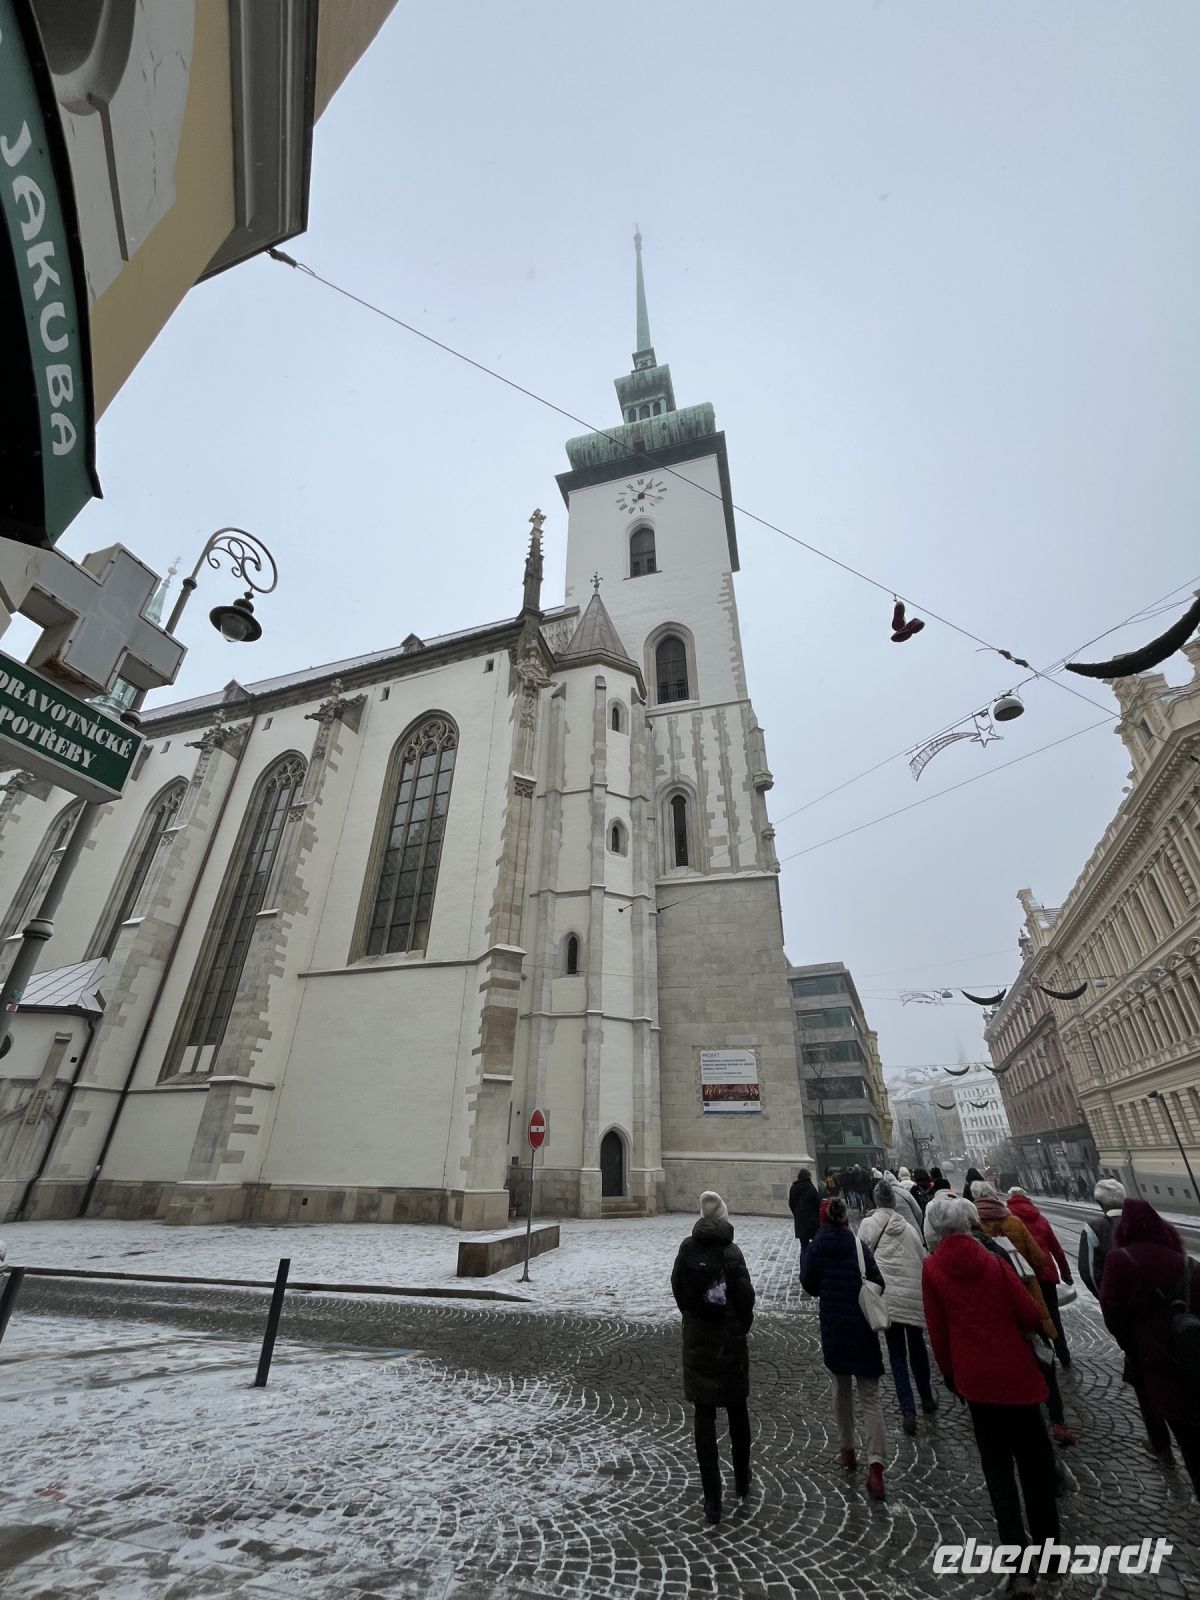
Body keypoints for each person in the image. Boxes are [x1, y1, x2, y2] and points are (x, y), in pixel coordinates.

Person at [923, 1197, 1060, 1590]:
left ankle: (1019, 1570)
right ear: (970, 1224)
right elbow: (1030, 1314)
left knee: (998, 1475)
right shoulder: (994, 1261)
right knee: (1035, 1469)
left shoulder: (933, 1268)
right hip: (1019, 1378)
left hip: (977, 1386)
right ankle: (1050, 1555)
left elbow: (938, 1335)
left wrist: (951, 1378)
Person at [1101, 1199, 1200, 1490]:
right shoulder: (1186, 1262)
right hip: (1195, 1355)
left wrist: (1133, 1346)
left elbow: (1111, 1311)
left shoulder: (1120, 1261)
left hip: (1156, 1362)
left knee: (1187, 1437)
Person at [671, 1191, 756, 1524]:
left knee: (704, 1416)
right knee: (737, 1410)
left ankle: (712, 1499)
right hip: (730, 1345)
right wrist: (738, 1326)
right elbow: (746, 1299)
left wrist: (694, 1320)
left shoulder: (686, 1250)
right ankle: (742, 1479)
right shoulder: (732, 1253)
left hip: (698, 1344)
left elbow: (679, 1290)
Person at [968, 1186, 1077, 1448]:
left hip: (998, 1306)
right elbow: (1040, 1257)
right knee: (1043, 1353)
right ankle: (1057, 1417)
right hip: (1030, 1295)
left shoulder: (974, 1229)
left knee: (1011, 1355)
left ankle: (1017, 1412)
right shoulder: (1014, 1221)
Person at [799, 1196, 889, 1499]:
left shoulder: (818, 1246)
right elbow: (878, 1281)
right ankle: (876, 1465)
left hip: (835, 1329)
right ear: (844, 1219)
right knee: (871, 1397)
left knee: (841, 1391)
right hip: (863, 1328)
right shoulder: (858, 1245)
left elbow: (808, 1283)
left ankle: (848, 1449)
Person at [859, 1181, 938, 1434]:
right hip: (912, 1300)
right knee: (917, 1350)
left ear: (876, 1201)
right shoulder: (910, 1230)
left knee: (896, 1355)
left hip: (888, 1299)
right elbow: (924, 1261)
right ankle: (926, 1397)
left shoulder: (869, 1225)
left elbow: (859, 1258)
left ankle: (908, 1410)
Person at [1007, 1189, 1073, 1369]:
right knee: (1053, 1314)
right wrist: (1065, 1272)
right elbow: (1056, 1249)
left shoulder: (1010, 1221)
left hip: (1026, 1276)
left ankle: (1046, 1356)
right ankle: (1064, 1354)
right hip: (1046, 1273)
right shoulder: (1040, 1219)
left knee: (1036, 1317)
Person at [1078, 1178, 1126, 1299]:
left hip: (1116, 1299)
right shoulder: (1142, 1220)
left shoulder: (1094, 1228)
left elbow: (1089, 1271)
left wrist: (1104, 1297)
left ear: (1100, 1203)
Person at [788, 1167, 821, 1246]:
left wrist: (796, 1213)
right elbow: (817, 1203)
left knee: (803, 1245)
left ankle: (804, 1258)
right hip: (812, 1220)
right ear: (808, 1177)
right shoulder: (811, 1188)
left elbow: (791, 1203)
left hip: (800, 1220)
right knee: (816, 1244)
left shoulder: (793, 1187)